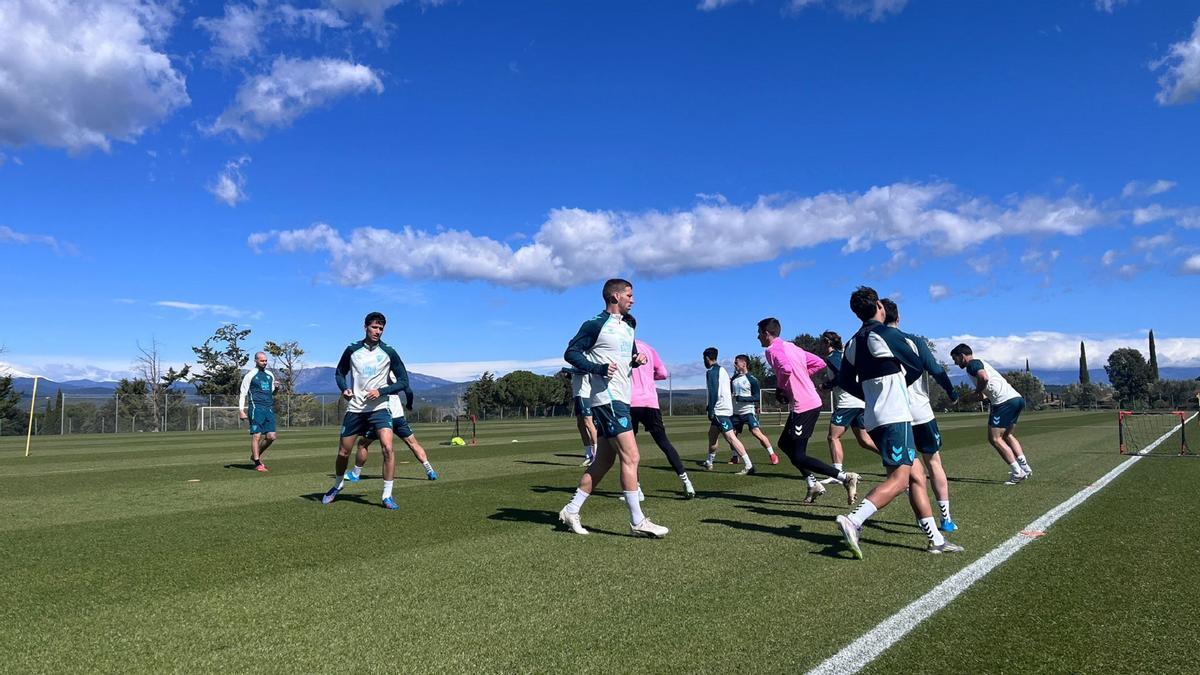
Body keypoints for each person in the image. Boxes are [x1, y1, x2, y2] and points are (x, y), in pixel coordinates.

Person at [834, 287, 963, 558]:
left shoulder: (853, 342)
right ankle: (854, 520)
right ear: (879, 306)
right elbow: (917, 365)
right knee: (900, 478)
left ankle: (935, 539)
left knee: (917, 476)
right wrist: (896, 386)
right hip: (894, 416)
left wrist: (871, 395)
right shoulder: (886, 333)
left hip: (874, 418)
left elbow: (844, 381)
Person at [558, 279, 668, 537]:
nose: (633, 299)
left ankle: (571, 510)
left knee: (605, 460)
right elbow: (571, 353)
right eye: (629, 295)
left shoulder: (630, 324)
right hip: (606, 399)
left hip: (622, 396)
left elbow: (626, 354)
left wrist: (636, 360)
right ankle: (637, 521)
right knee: (632, 456)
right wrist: (597, 369)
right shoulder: (595, 324)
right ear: (615, 296)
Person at [757, 318, 860, 504]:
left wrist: (781, 388)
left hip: (804, 405)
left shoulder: (771, 350)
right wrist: (802, 375)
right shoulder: (792, 347)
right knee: (784, 444)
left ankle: (845, 478)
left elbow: (786, 369)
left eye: (759, 334)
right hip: (809, 402)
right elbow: (819, 363)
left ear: (766, 333)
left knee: (798, 455)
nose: (758, 338)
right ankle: (812, 484)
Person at [881, 299, 959, 532]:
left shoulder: (873, 340)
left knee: (908, 469)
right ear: (899, 317)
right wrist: (952, 392)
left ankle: (923, 515)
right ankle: (946, 518)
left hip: (893, 414)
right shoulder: (914, 341)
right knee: (933, 462)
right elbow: (936, 369)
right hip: (920, 411)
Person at [321, 312, 409, 510]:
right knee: (344, 452)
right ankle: (337, 485)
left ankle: (387, 495)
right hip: (356, 409)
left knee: (388, 448)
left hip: (380, 409)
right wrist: (344, 388)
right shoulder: (352, 349)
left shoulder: (389, 352)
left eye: (381, 328)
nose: (378, 331)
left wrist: (382, 391)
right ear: (365, 327)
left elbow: (404, 381)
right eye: (374, 327)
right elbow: (339, 373)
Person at [951, 343, 1033, 484]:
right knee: (1008, 435)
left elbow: (984, 378)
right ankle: (1025, 468)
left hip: (1003, 402)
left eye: (955, 359)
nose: (955, 362)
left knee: (995, 439)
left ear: (962, 356)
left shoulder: (972, 364)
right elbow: (985, 393)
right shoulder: (981, 363)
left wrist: (976, 391)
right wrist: (968, 398)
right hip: (1016, 399)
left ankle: (1017, 472)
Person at [630, 336, 696, 498]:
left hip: (630, 402)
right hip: (651, 402)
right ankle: (686, 482)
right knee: (664, 443)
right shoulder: (649, 348)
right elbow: (663, 373)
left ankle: (636, 489)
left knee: (629, 449)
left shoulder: (622, 347)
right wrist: (648, 376)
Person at [816, 331, 878, 496]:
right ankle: (892, 458)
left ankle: (837, 473)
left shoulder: (833, 357)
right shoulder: (844, 354)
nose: (820, 346)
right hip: (859, 401)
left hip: (847, 403)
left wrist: (826, 385)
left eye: (822, 342)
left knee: (833, 437)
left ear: (826, 342)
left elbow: (842, 375)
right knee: (864, 441)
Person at [348, 374, 439, 482]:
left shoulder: (377, 376)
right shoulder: (398, 377)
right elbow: (409, 392)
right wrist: (409, 405)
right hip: (399, 417)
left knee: (362, 444)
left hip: (383, 418)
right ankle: (429, 470)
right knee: (413, 443)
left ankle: (355, 473)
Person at [700, 347, 755, 475]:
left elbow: (713, 392)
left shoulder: (711, 372)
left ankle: (749, 465)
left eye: (704, 359)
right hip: (726, 407)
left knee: (730, 437)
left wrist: (711, 409)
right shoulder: (723, 370)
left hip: (720, 410)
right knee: (712, 435)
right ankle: (709, 461)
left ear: (707, 358)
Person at [730, 354, 779, 466]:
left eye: (736, 362)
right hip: (735, 413)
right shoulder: (733, 379)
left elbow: (757, 397)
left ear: (744, 364)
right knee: (732, 435)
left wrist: (741, 398)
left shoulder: (752, 380)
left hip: (748, 411)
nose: (734, 365)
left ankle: (772, 454)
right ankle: (735, 456)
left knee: (756, 433)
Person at [238, 351, 277, 472]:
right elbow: (243, 393)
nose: (264, 362)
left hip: (268, 408)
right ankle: (257, 462)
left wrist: (277, 388)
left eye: (265, 360)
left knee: (271, 436)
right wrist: (241, 410)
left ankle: (256, 454)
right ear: (256, 360)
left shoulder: (270, 375)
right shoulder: (250, 375)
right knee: (257, 435)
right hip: (256, 408)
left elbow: (272, 392)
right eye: (262, 360)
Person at [571, 368, 598, 466]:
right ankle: (588, 455)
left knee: (588, 423)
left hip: (585, 395)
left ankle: (596, 454)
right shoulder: (573, 362)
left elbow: (583, 370)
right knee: (580, 425)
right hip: (577, 395)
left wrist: (570, 371)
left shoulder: (584, 359)